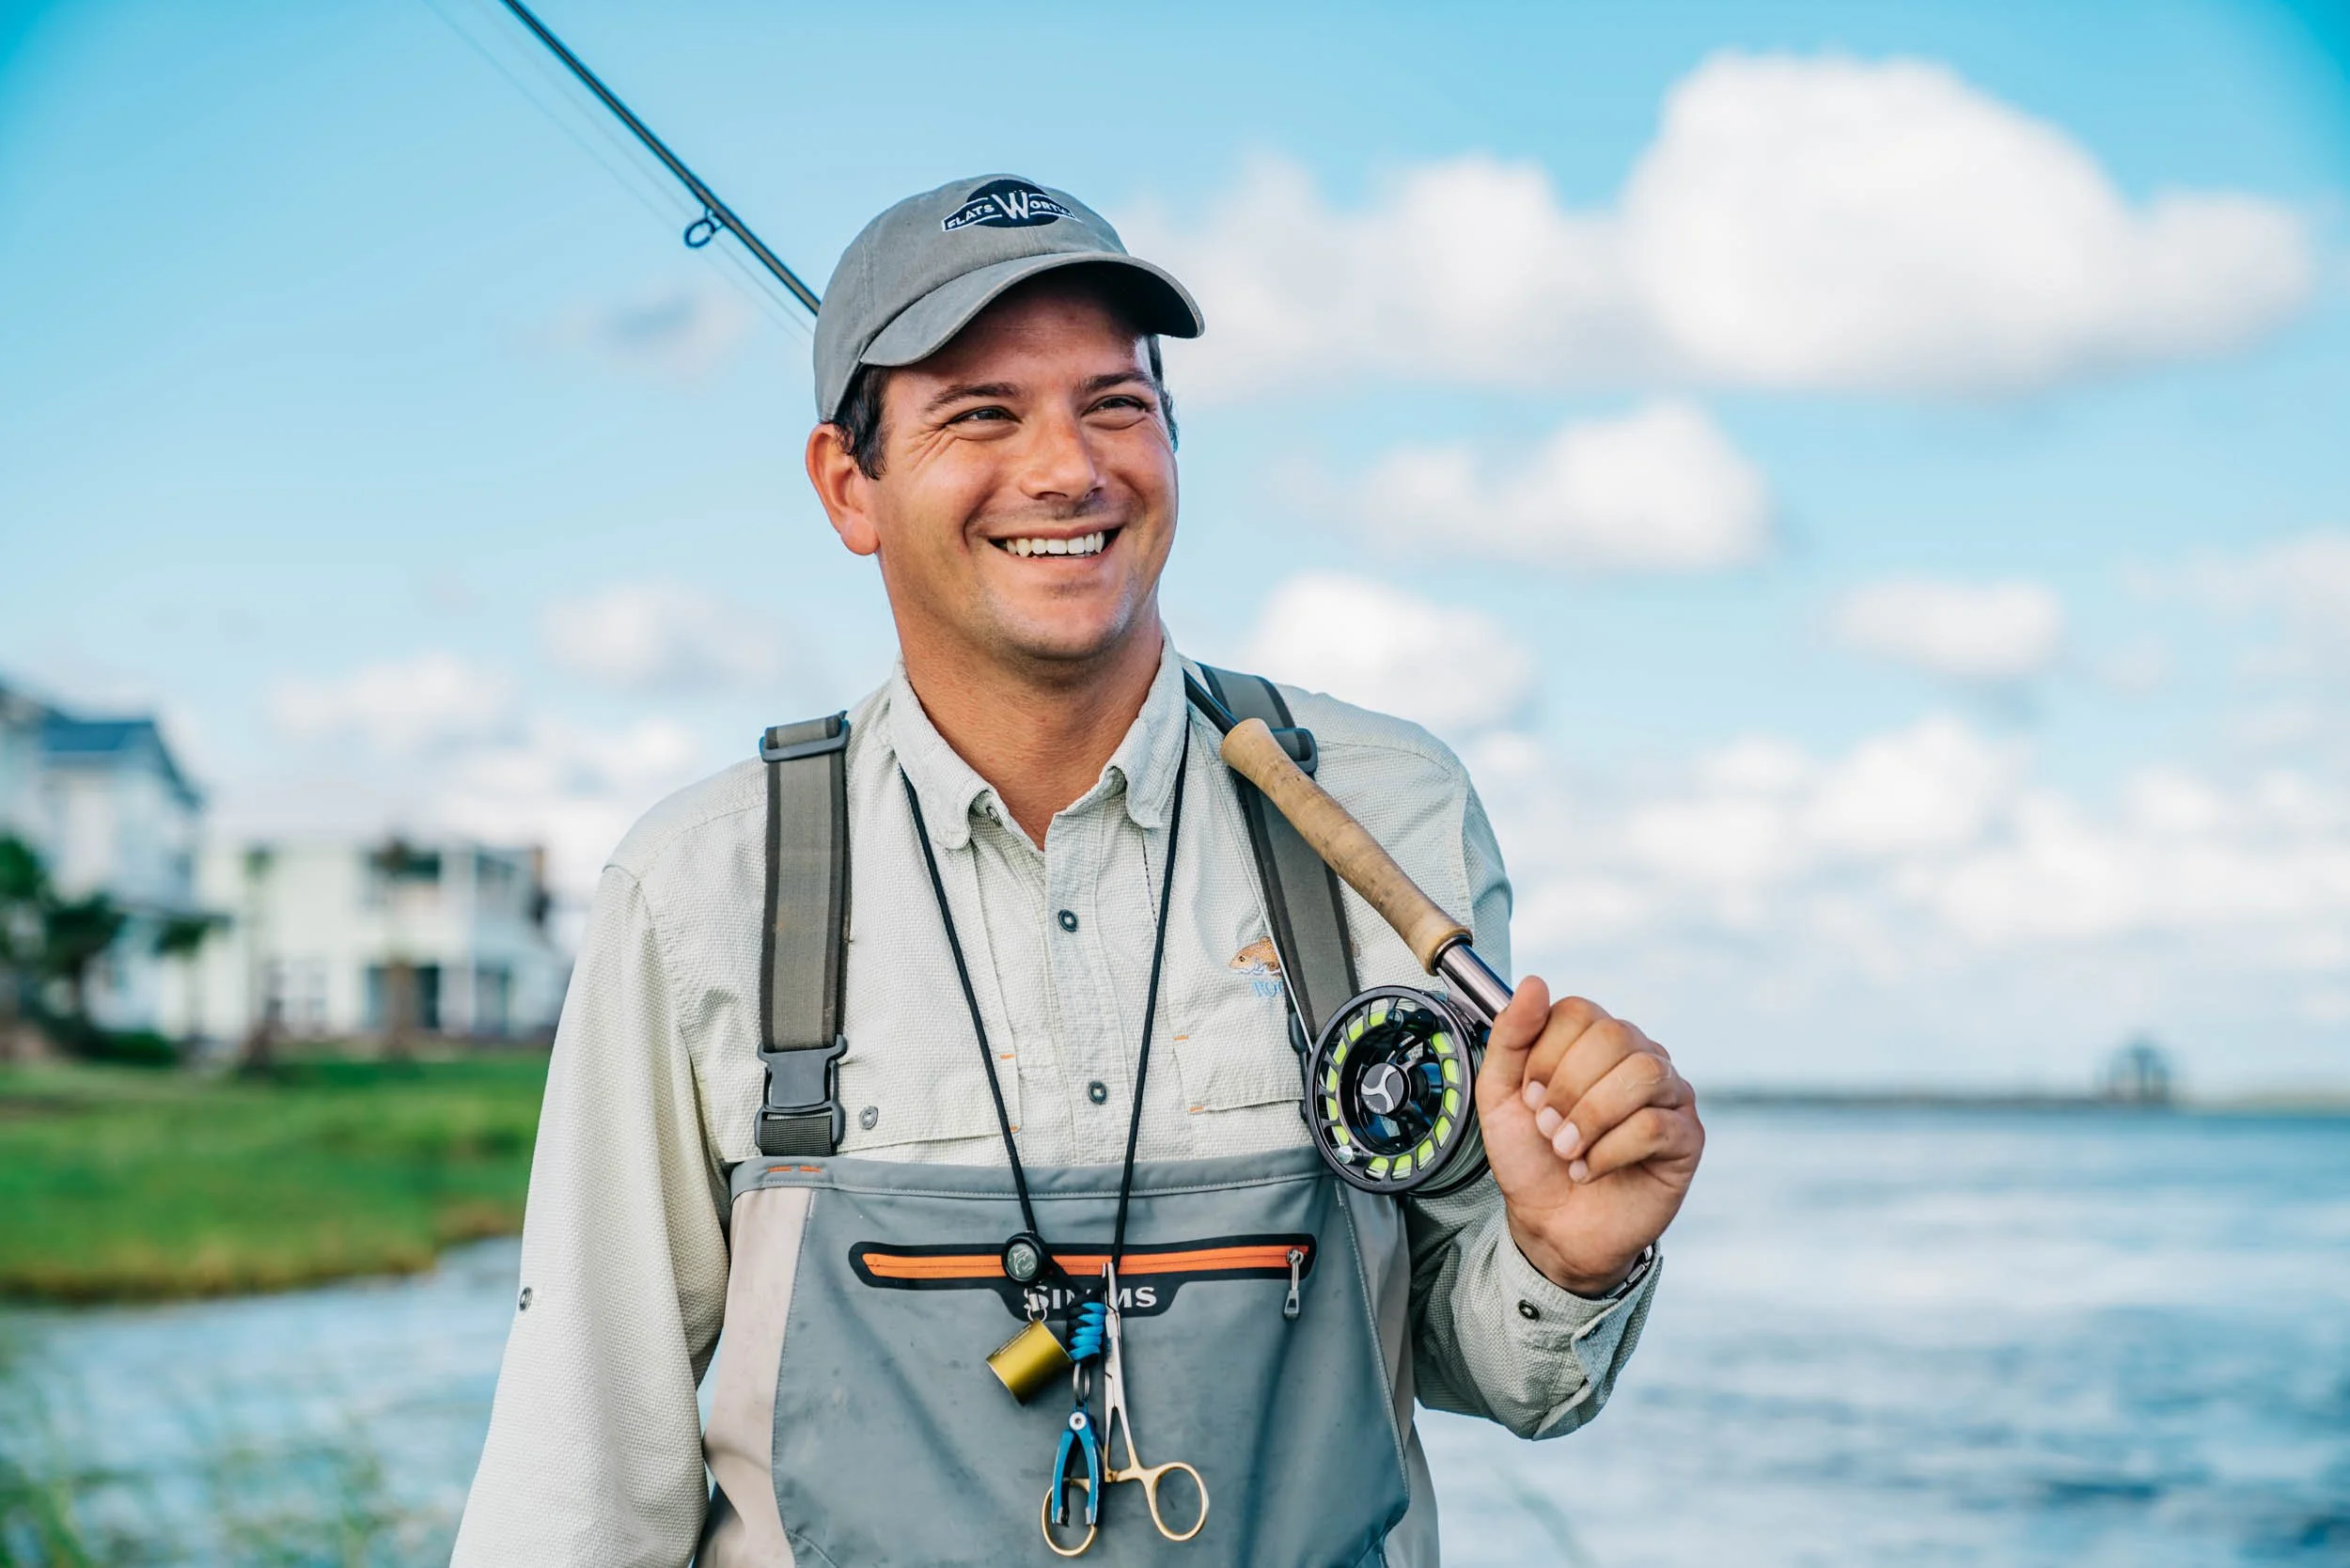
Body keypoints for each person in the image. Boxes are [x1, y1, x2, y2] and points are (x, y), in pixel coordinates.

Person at [453, 174, 1704, 1568]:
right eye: (981, 414)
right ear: (849, 486)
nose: (1067, 470)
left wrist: (1572, 1256)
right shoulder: (698, 886)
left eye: (1115, 404)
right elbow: (580, 1472)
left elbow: (1486, 1361)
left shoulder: (1394, 807)